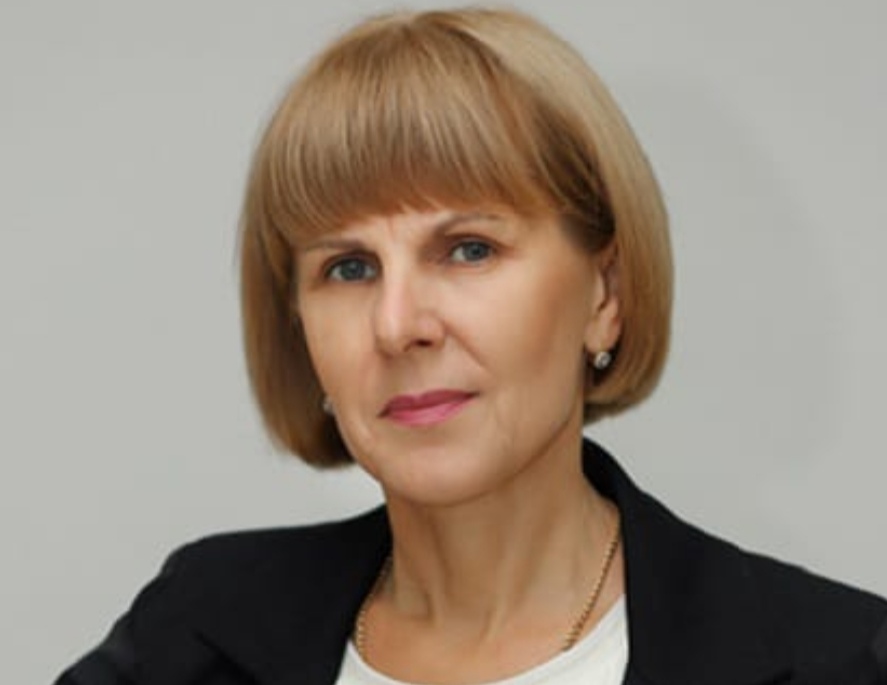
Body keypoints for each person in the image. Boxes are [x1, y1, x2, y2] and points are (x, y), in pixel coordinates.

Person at [55, 7, 887, 685]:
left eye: (468, 249)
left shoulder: (843, 658)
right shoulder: (192, 636)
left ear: (604, 296)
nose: (397, 324)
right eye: (348, 267)